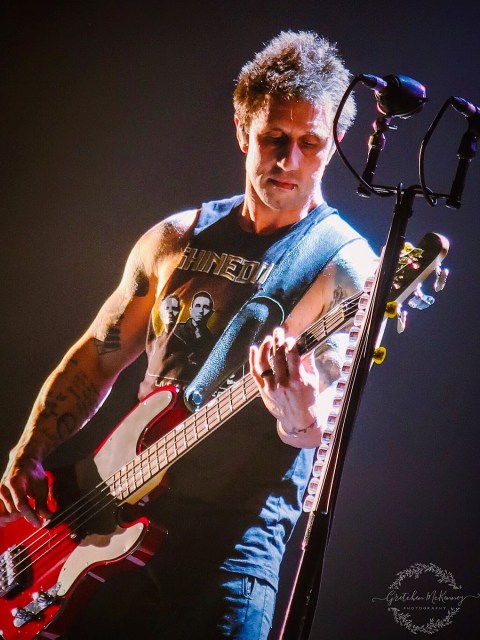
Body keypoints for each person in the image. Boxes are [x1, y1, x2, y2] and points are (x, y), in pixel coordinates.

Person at [0, 30, 376, 639]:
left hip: (231, 551)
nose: (289, 160)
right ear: (242, 130)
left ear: (333, 145)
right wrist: (31, 450)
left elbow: (314, 431)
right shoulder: (177, 237)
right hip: (106, 516)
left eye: (309, 143)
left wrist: (297, 408)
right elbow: (97, 357)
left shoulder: (346, 268)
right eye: (273, 138)